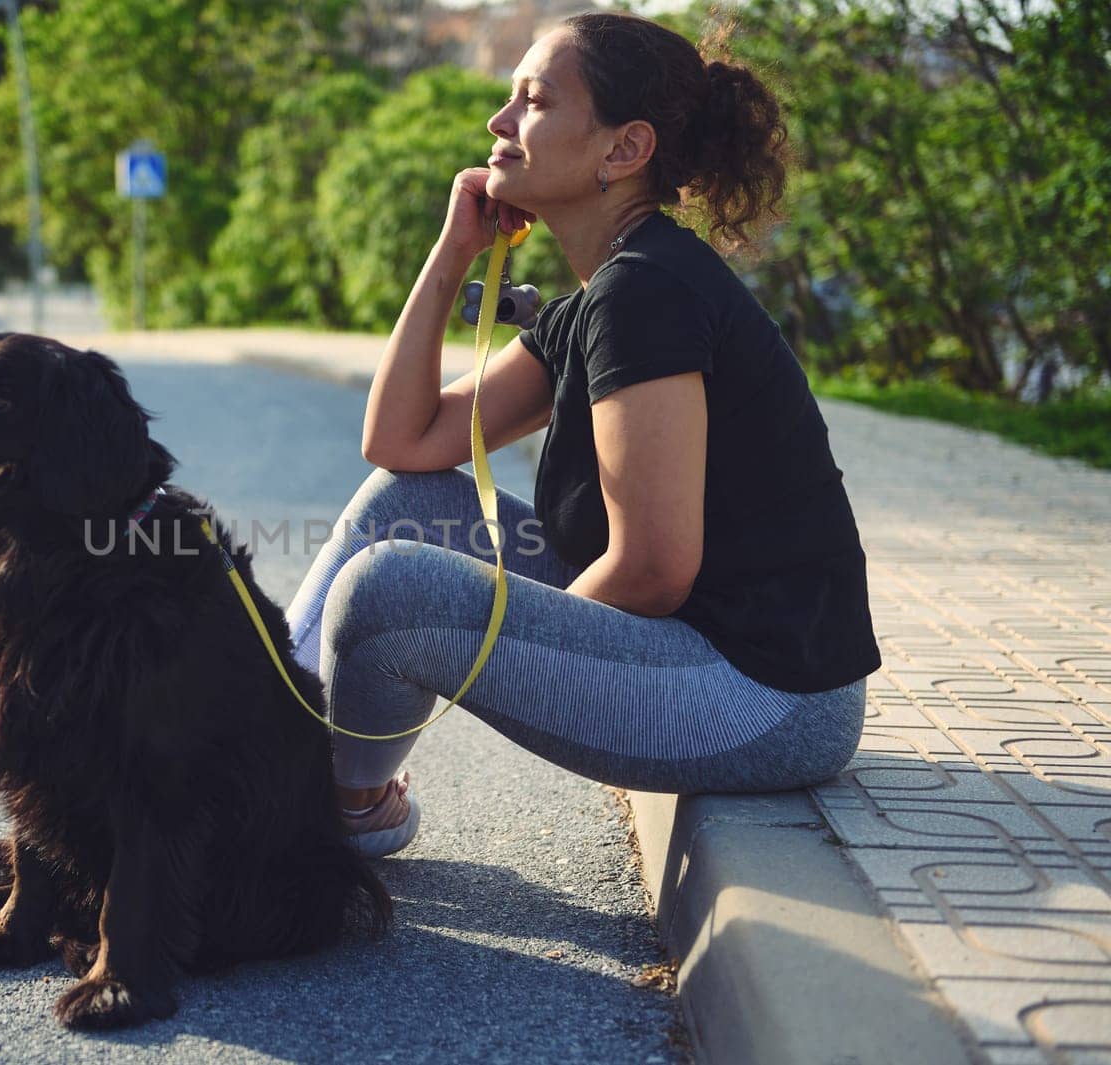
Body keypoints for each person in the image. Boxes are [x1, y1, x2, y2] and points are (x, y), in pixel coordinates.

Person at [283, 11, 881, 859]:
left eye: (534, 101)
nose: (499, 122)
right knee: (407, 506)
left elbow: (652, 567)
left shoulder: (649, 295)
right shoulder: (603, 299)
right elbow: (402, 441)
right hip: (695, 654)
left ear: (622, 150)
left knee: (394, 594)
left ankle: (320, 819)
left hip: (765, 700)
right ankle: (270, 752)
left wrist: (514, 650)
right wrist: (451, 255)